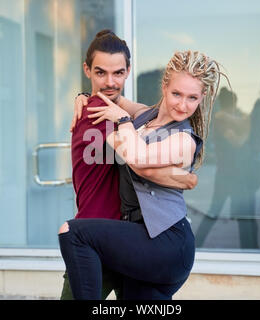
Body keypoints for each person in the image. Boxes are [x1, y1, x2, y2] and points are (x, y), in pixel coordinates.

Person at [58, 50, 223, 300]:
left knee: (74, 233)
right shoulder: (147, 116)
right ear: (165, 86)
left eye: (192, 98)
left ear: (202, 98)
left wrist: (123, 121)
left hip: (167, 243)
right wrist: (82, 98)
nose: (182, 104)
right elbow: (112, 97)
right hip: (138, 238)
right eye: (176, 93)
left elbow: (139, 158)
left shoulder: (184, 139)